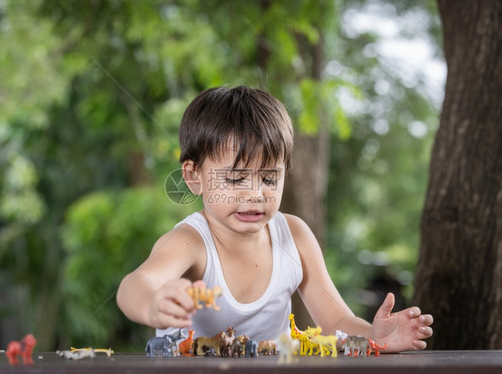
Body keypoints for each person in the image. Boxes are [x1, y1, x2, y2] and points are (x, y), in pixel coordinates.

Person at [116, 85, 433, 352]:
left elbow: (335, 322)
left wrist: (375, 336)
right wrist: (152, 304)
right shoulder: (191, 241)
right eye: (236, 179)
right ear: (193, 175)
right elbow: (134, 285)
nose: (255, 194)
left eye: (268, 179)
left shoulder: (293, 235)